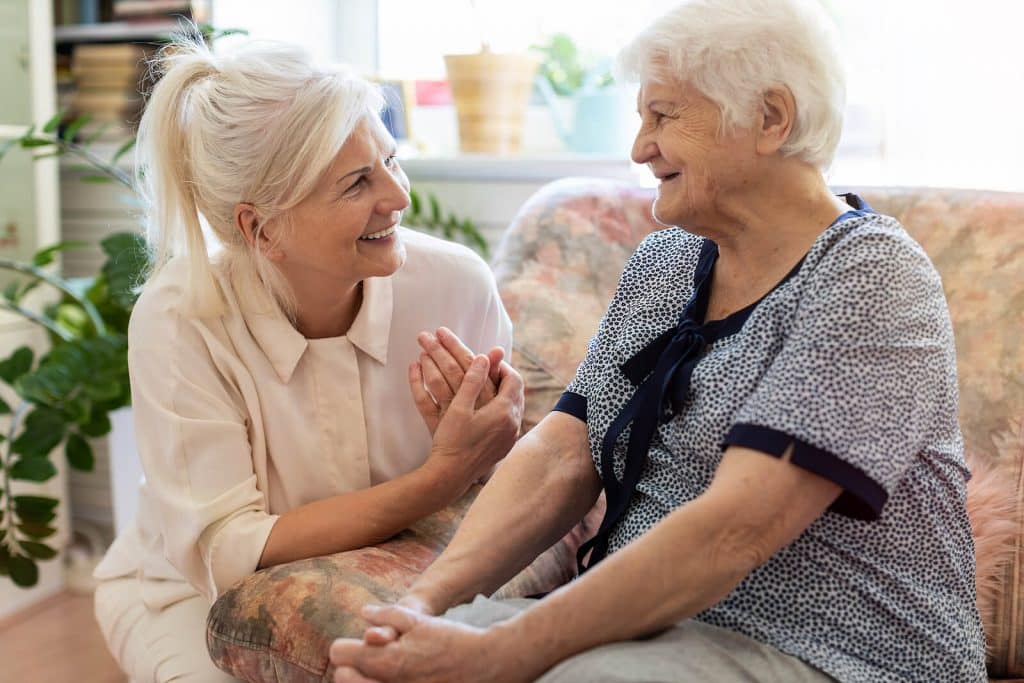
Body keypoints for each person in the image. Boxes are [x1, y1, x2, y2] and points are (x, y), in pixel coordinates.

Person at [329, 0, 988, 681]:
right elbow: (562, 452)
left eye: (664, 116)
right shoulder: (666, 262)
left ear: (771, 119)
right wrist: (422, 607)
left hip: (838, 654)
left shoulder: (871, 277)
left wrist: (504, 653)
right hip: (658, 633)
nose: (640, 148)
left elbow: (737, 527)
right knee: (384, 671)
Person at [91, 33, 524, 682]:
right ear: (259, 229)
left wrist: (493, 445)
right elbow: (229, 552)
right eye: (356, 183)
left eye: (391, 160)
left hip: (387, 575)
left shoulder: (454, 285)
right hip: (187, 596)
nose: (398, 197)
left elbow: (510, 474)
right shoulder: (179, 319)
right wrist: (441, 475)